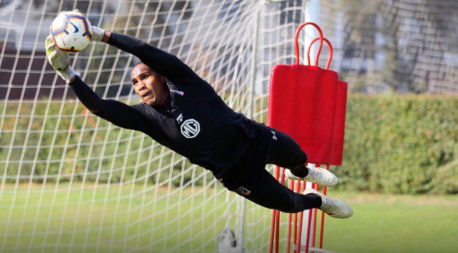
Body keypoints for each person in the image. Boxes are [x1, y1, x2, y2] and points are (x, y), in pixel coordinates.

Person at [45, 25, 353, 219]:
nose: (139, 84)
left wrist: (100, 35)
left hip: (254, 138)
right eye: (135, 82)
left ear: (161, 76)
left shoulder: (186, 82)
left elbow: (145, 51)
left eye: (145, 76)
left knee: (297, 155)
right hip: (238, 175)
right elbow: (99, 106)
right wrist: (68, 74)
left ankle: (302, 172)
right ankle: (317, 201)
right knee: (290, 205)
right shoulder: (145, 117)